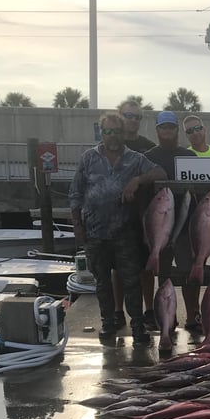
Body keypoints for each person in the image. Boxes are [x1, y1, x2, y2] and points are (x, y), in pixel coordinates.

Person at [69, 112, 166, 346]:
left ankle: (137, 325)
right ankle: (108, 321)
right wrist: (77, 226)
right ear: (101, 133)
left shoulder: (135, 159)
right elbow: (75, 193)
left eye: (116, 131)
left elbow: (160, 173)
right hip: (94, 231)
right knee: (101, 281)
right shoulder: (88, 158)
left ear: (124, 133)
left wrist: (137, 180)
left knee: (131, 280)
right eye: (107, 131)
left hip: (125, 231)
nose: (112, 135)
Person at [145, 111, 200, 329]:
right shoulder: (147, 156)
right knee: (163, 274)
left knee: (189, 272)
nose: (167, 130)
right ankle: (167, 316)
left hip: (186, 226)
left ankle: (192, 315)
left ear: (177, 130)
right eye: (163, 127)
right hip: (160, 225)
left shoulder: (189, 156)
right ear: (157, 130)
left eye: (171, 127)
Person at [112, 99, 157, 329]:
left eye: (137, 117)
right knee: (117, 267)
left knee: (146, 266)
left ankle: (149, 310)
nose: (132, 120)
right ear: (120, 116)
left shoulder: (148, 146)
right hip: (115, 215)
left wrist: (138, 179)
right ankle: (118, 312)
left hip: (144, 214)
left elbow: (158, 172)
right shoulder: (110, 143)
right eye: (128, 115)